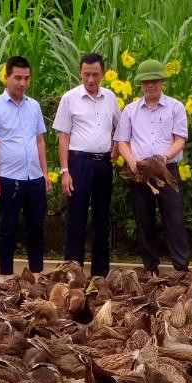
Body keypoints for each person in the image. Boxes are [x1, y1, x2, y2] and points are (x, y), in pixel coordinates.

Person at [115, 59, 191, 274]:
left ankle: (181, 269)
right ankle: (150, 269)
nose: (151, 85)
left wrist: (164, 158)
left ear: (162, 82)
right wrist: (131, 161)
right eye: (146, 81)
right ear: (140, 84)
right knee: (144, 220)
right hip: (141, 172)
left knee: (174, 218)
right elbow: (122, 140)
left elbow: (180, 139)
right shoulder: (130, 111)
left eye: (155, 81)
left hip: (167, 170)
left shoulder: (175, 107)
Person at [0, 56, 49, 279]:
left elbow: (39, 140)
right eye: (17, 78)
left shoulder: (34, 106)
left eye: (26, 78)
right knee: (7, 228)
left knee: (37, 228)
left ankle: (37, 275)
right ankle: (6, 277)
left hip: (34, 177)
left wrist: (45, 173)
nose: (22, 83)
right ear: (7, 77)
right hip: (8, 178)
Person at [54, 53, 120, 277]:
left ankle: (100, 274)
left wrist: (117, 146)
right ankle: (73, 273)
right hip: (78, 163)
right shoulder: (69, 98)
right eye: (86, 74)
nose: (91, 79)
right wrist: (65, 171)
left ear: (103, 74)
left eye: (95, 74)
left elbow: (120, 128)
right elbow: (63, 136)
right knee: (76, 217)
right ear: (80, 73)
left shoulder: (110, 97)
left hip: (103, 165)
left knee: (102, 219)